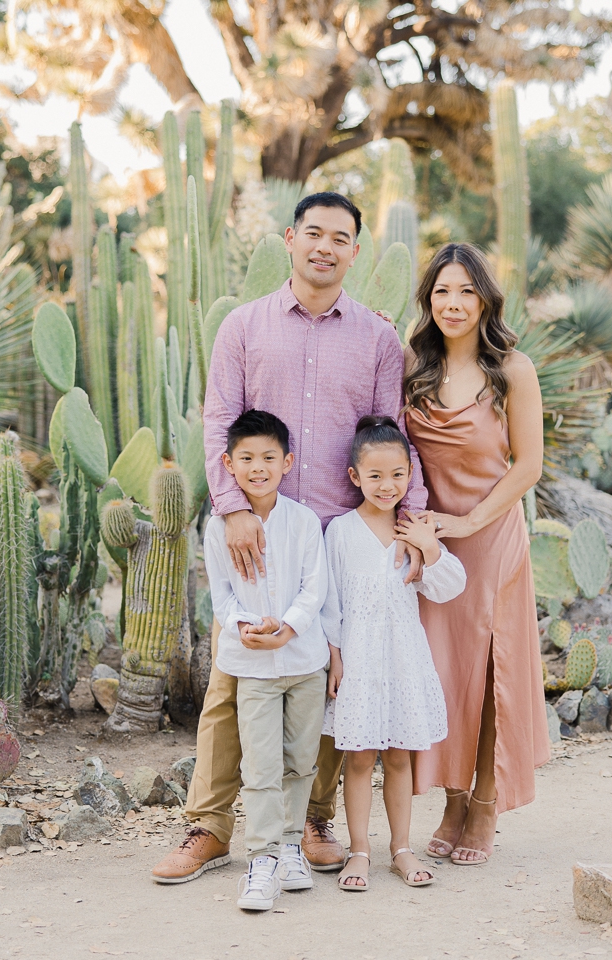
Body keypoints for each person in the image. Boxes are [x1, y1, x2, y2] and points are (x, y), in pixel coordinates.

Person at [153, 191, 429, 883]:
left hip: (337, 534)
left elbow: (387, 433)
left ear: (355, 251)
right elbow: (219, 420)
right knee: (231, 675)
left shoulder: (375, 338)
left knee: (332, 677)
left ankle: (312, 820)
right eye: (314, 233)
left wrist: (408, 521)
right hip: (256, 525)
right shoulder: (243, 327)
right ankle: (209, 826)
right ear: (289, 238)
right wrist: (231, 506)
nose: (325, 247)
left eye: (340, 238)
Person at [403, 242, 549, 866]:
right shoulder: (413, 364)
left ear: (486, 297)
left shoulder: (512, 369)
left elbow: (529, 466)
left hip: (489, 536)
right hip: (432, 543)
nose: (453, 303)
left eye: (466, 291)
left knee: (490, 673)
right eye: (441, 291)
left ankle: (484, 803)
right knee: (443, 672)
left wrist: (469, 520)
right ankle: (451, 799)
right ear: (428, 300)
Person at [321, 415, 466, 892]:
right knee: (359, 758)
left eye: (398, 474)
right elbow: (331, 600)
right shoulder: (340, 532)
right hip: (359, 662)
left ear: (410, 474)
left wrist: (429, 545)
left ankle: (401, 849)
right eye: (376, 475)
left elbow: (449, 587)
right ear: (355, 477)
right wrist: (335, 657)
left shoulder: (414, 530)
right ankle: (359, 851)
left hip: (403, 658)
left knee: (400, 757)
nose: (388, 485)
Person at [203, 410, 329, 912]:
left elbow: (314, 587)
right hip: (253, 665)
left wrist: (289, 628)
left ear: (288, 462)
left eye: (269, 458)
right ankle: (261, 860)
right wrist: (247, 628)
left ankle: (291, 846)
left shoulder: (303, 522)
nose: (258, 467)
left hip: (303, 662)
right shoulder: (219, 529)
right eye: (247, 458)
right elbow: (222, 598)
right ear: (228, 464)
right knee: (260, 765)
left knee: (300, 762)